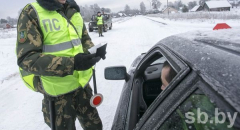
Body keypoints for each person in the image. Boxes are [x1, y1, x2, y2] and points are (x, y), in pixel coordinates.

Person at [16, 0, 104, 129]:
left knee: (95, 127)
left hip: (82, 86)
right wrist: (72, 64)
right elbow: (27, 58)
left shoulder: (73, 11)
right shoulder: (32, 12)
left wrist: (92, 52)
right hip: (58, 95)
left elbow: (84, 39)